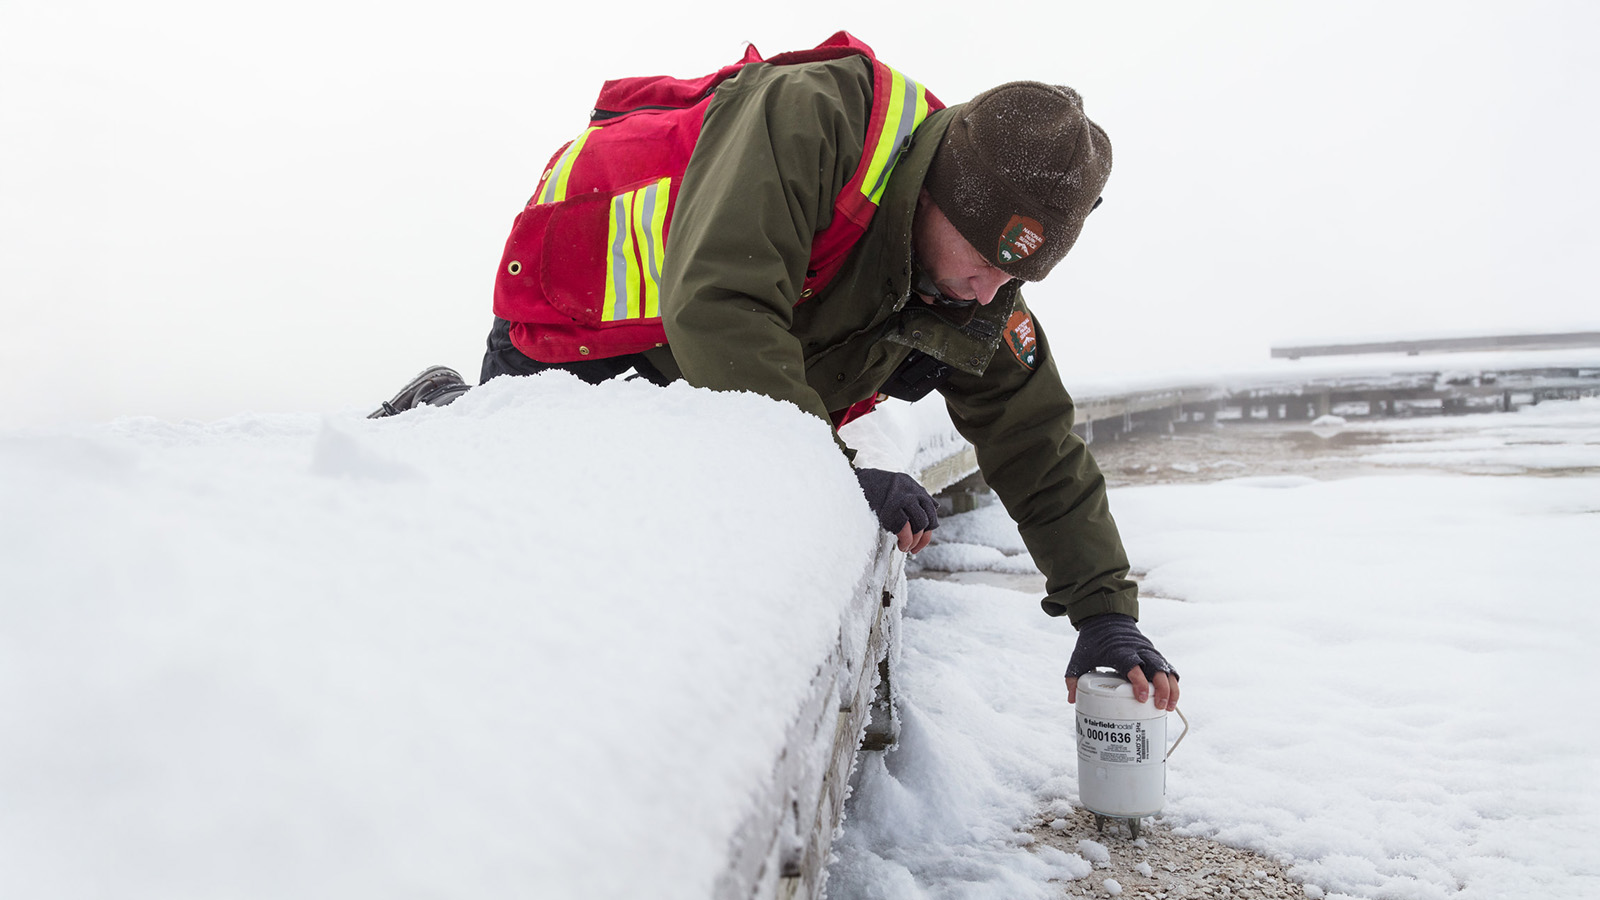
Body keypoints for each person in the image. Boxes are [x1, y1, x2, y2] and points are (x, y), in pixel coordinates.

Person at [371, 34, 1179, 710]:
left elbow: (1032, 435)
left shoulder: (969, 287)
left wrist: (1103, 611)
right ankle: (446, 410)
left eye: (1016, 281)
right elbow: (722, 306)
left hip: (702, 381)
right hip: (581, 336)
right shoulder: (815, 117)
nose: (990, 291)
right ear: (938, 195)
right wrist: (831, 474)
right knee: (528, 529)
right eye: (980, 258)